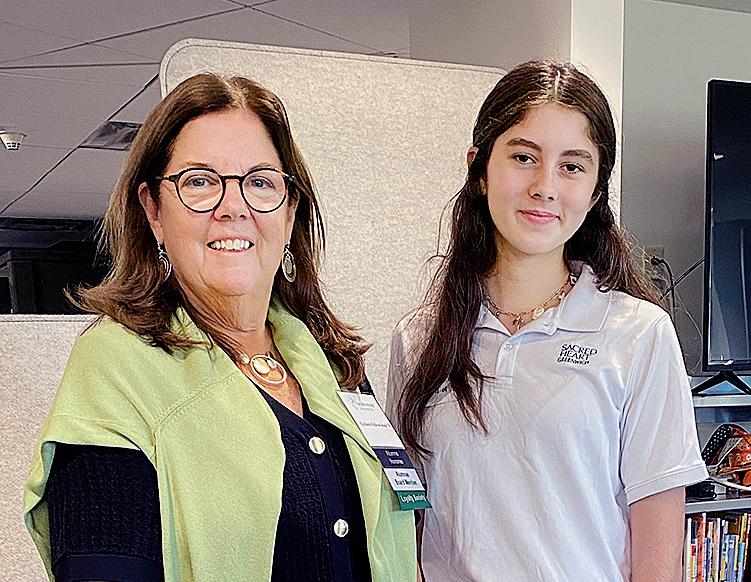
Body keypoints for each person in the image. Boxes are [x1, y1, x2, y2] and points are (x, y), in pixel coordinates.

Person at [24, 73, 416, 582]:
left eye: (260, 182)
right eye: (200, 181)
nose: (234, 207)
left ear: (289, 211)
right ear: (153, 210)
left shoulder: (332, 362)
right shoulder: (114, 372)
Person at [386, 60, 708, 582]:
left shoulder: (639, 335)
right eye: (523, 157)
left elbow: (658, 561)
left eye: (572, 166)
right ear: (479, 170)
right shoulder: (419, 339)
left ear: (596, 191)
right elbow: (411, 525)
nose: (545, 186)